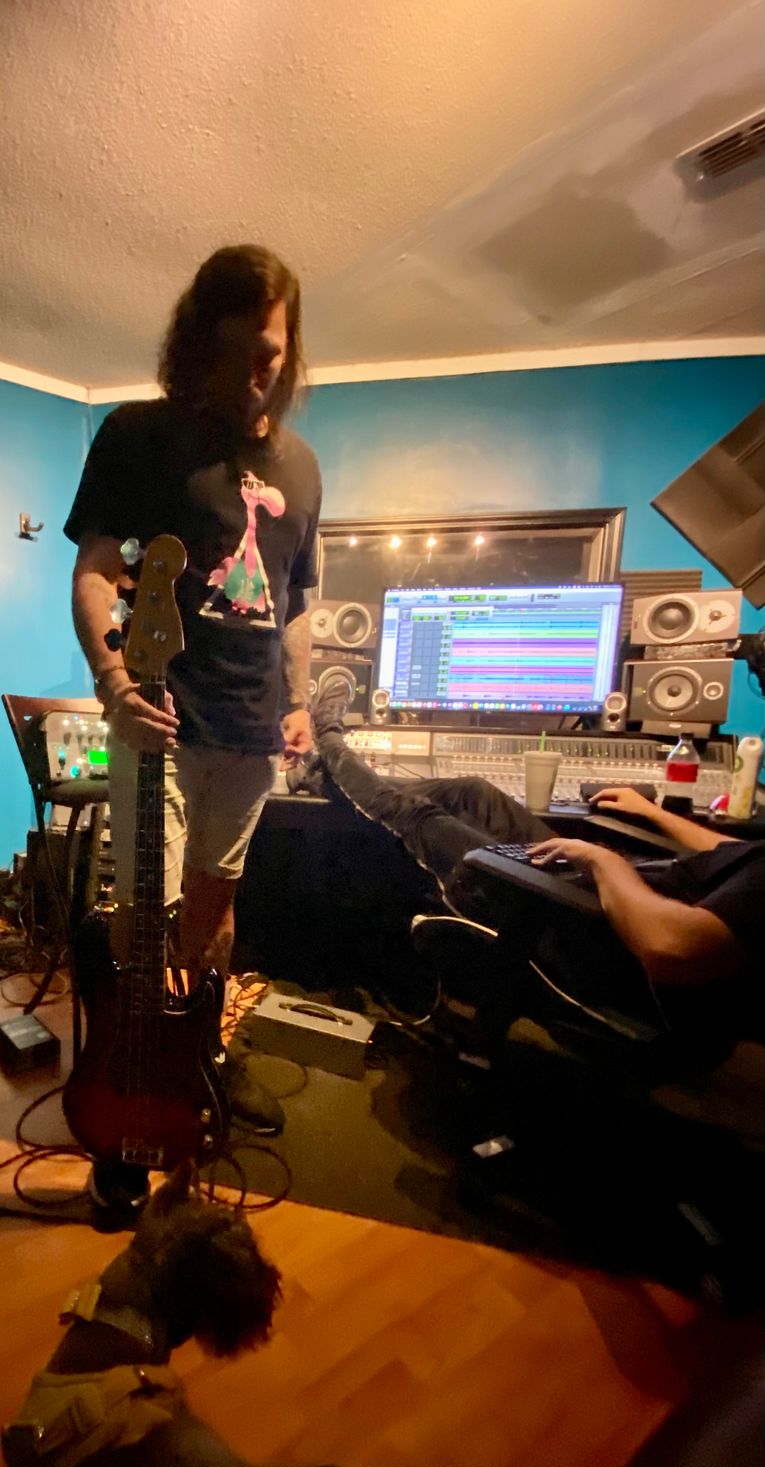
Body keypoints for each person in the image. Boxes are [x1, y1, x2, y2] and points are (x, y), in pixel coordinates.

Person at [66, 245, 321, 1207]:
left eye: (269, 353)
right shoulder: (138, 434)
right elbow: (97, 571)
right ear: (195, 343)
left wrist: (299, 700)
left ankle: (197, 1059)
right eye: (232, 350)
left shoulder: (301, 466)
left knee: (213, 910)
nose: (253, 373)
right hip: (159, 717)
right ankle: (126, 1078)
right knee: (144, 919)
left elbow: (294, 603)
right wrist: (111, 681)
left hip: (252, 732)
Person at [299, 693, 765, 1071]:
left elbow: (670, 949)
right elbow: (732, 852)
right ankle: (326, 776)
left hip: (587, 930)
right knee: (473, 792)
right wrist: (651, 812)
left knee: (413, 816)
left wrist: (604, 862)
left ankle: (329, 739)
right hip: (603, 895)